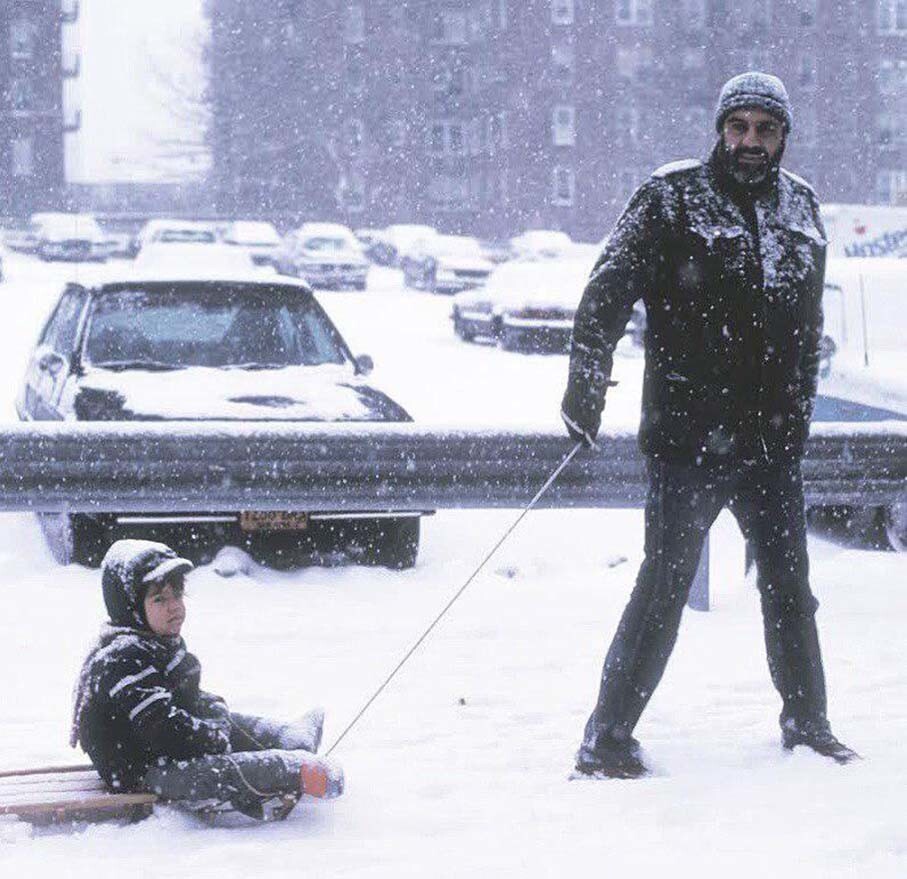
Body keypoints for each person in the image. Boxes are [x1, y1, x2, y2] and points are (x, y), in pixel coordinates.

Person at [561, 72, 858, 778]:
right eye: (738, 127)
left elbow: (807, 326)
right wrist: (584, 379)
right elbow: (606, 289)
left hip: (771, 444)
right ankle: (606, 738)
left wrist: (799, 414)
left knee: (789, 588)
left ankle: (807, 722)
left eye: (764, 129)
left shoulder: (801, 207)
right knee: (662, 586)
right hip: (688, 440)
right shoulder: (671, 197)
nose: (750, 142)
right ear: (720, 130)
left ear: (782, 136)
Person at [71, 539, 343, 820]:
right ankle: (295, 770)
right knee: (222, 770)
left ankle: (287, 737)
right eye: (159, 599)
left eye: (177, 595)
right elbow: (165, 730)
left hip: (163, 751)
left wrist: (211, 710)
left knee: (230, 721)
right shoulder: (122, 659)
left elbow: (182, 696)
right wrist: (211, 737)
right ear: (130, 607)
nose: (174, 607)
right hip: (141, 769)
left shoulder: (152, 642)